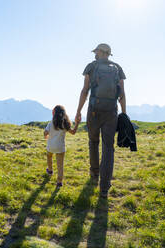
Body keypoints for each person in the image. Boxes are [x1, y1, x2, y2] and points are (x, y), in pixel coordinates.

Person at [75, 43, 126, 198]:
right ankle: (104, 187)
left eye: (96, 51)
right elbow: (122, 93)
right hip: (111, 112)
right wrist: (124, 114)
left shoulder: (91, 67)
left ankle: (94, 173)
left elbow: (85, 90)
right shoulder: (117, 68)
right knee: (108, 148)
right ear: (109, 54)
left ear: (100, 52)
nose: (94, 54)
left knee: (93, 142)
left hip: (94, 111)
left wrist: (78, 111)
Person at [44, 105, 79, 187]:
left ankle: (50, 170)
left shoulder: (51, 123)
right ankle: (59, 182)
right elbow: (73, 132)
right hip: (60, 147)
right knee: (60, 165)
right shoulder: (65, 124)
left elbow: (45, 132)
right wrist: (77, 123)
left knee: (49, 156)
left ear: (54, 113)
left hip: (51, 146)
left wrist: (46, 135)